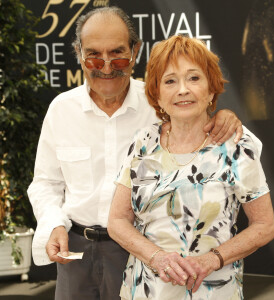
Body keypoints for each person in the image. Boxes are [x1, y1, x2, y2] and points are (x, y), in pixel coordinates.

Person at [28, 7, 243, 300]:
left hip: (138, 250)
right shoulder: (61, 110)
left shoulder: (160, 106)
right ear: (79, 54)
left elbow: (199, 125)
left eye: (117, 55)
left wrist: (225, 115)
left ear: (135, 51)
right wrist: (53, 223)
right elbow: (45, 183)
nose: (106, 67)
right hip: (74, 250)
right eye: (93, 56)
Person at [107, 35, 274, 300]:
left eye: (194, 78)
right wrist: (158, 258)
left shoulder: (237, 144)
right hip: (146, 291)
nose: (183, 89)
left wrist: (211, 260)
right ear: (157, 95)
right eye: (170, 81)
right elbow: (117, 220)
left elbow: (264, 226)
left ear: (211, 90)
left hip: (215, 290)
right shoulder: (143, 143)